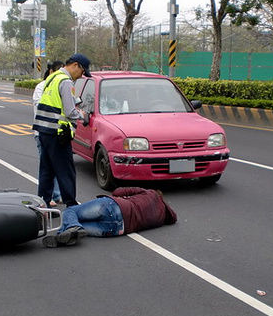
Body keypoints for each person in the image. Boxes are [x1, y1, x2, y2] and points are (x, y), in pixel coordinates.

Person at [32, 53, 90, 208]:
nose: (81, 76)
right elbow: (70, 112)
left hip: (43, 131)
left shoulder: (52, 77)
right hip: (57, 133)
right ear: (75, 65)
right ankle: (71, 205)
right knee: (66, 171)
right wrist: (83, 116)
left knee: (47, 170)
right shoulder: (65, 82)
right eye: (82, 72)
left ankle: (42, 204)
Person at [42, 187, 177, 247]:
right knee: (79, 226)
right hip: (117, 229)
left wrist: (126, 195)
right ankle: (64, 235)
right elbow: (173, 218)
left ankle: (70, 228)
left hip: (114, 207)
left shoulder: (150, 193)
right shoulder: (162, 218)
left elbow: (118, 191)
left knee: (70, 211)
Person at [33, 61, 65, 206]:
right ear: (52, 71)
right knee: (47, 167)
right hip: (43, 132)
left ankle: (57, 195)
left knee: (58, 165)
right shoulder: (42, 87)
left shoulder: (62, 85)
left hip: (57, 132)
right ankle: (47, 197)